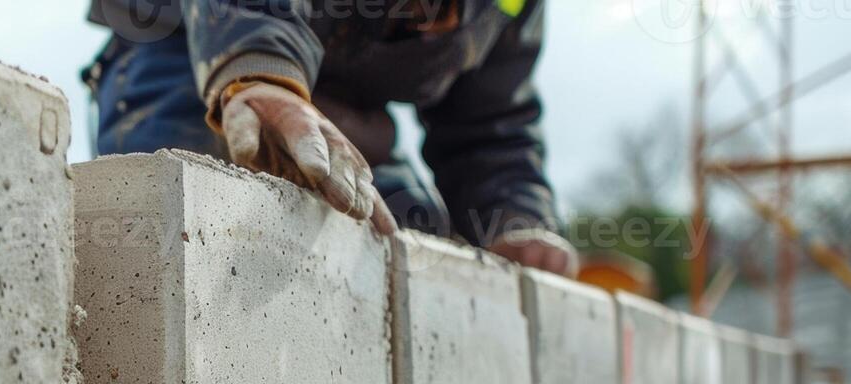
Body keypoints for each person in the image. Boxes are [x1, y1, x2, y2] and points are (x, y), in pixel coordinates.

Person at [84, 0, 578, 275]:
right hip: (183, 46)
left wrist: (513, 218)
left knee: (409, 245)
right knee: (186, 229)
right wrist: (260, 72)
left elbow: (490, 127)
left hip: (338, 98)